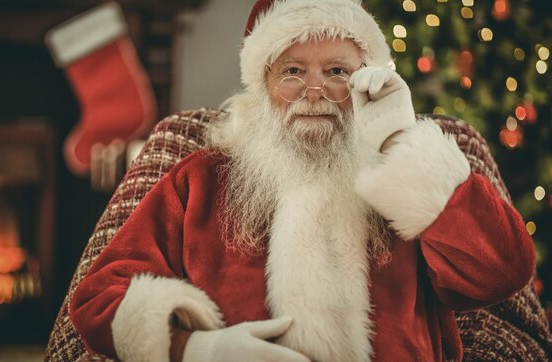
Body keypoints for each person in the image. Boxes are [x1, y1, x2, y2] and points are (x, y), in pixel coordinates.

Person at [69, 0, 535, 361]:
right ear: (263, 85)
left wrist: (400, 140)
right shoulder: (201, 180)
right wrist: (193, 350)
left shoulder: (407, 171)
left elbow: (502, 272)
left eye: (337, 72)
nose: (314, 91)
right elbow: (99, 300)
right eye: (292, 71)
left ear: (365, 82)